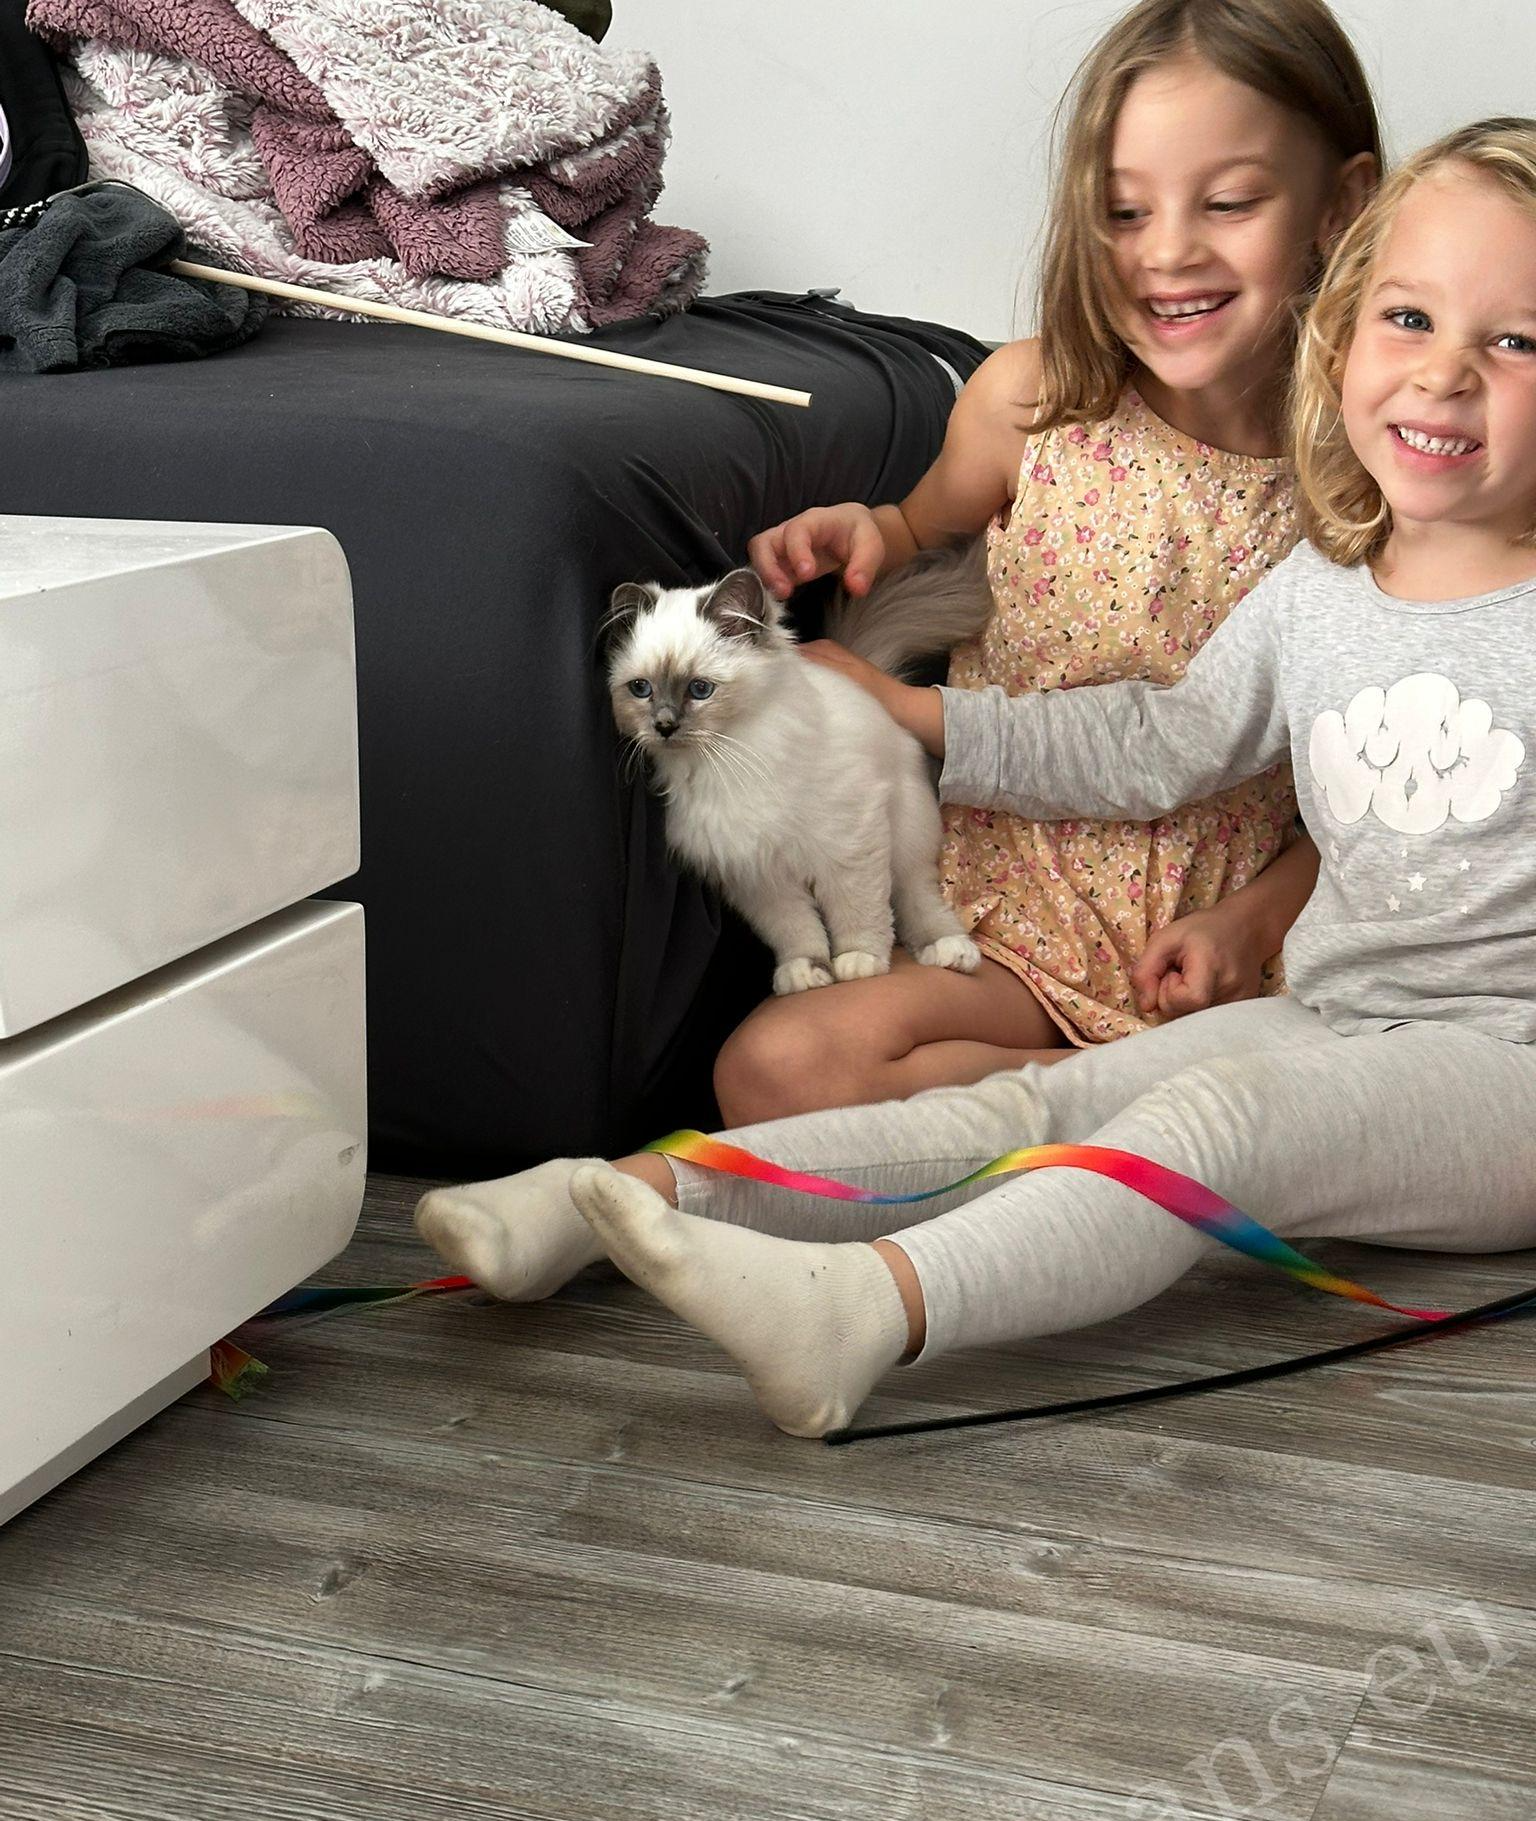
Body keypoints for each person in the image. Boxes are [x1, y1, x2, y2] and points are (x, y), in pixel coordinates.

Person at [420, 116, 1536, 1442]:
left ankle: (869, 1311)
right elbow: (1159, 742)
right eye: (1410, 318)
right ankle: (612, 1202)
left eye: (1517, 341)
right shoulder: (1324, 585)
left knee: (1215, 1119)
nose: (1445, 374)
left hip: (1508, 1075)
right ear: (1346, 332)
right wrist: (924, 714)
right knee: (1051, 1105)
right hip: (1342, 1018)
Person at [715, 0, 1380, 1125]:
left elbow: (1369, 796)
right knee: (775, 1073)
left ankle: (1171, 1111)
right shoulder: (1030, 403)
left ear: (1340, 205)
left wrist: (1252, 922)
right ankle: (1154, 1112)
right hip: (1011, 933)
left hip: (1242, 961)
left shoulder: (1375, 473)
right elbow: (916, 526)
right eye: (1124, 210)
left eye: (1228, 202)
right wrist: (866, 534)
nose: (1167, 250)